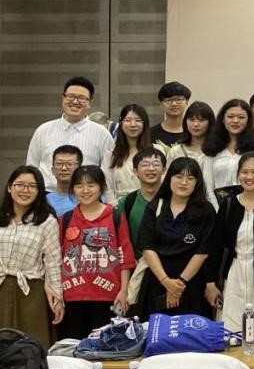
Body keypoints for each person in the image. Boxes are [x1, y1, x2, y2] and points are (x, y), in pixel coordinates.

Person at [209, 152, 254, 340]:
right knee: (230, 331)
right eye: (244, 172)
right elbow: (215, 246)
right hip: (234, 275)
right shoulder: (228, 205)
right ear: (238, 175)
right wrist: (211, 282)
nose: (249, 177)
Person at [57, 165, 135, 340]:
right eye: (79, 185)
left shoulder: (115, 216)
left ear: (101, 187)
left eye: (91, 185)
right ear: (73, 189)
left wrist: (124, 290)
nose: (85, 190)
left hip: (108, 297)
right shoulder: (65, 219)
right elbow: (56, 260)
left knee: (104, 348)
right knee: (72, 348)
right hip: (72, 297)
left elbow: (125, 256)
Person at [137, 157, 217, 317]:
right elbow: (148, 248)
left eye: (190, 178)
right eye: (178, 176)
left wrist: (179, 284)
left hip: (192, 283)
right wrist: (166, 282)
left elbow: (202, 252)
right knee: (156, 330)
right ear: (169, 178)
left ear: (197, 182)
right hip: (158, 280)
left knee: (191, 330)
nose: (184, 182)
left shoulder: (206, 210)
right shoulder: (155, 206)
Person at [0, 166, 63, 345]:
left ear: (39, 191)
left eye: (32, 186)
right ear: (10, 187)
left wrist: (58, 298)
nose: (25, 190)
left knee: (31, 347)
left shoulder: (46, 221)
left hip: (31, 293)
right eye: (20, 184)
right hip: (1, 287)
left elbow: (53, 261)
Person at [27, 76, 114, 190]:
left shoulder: (102, 134)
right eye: (71, 96)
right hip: (47, 196)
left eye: (81, 98)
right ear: (63, 98)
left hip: (86, 196)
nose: (75, 101)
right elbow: (31, 169)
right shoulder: (43, 130)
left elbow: (109, 175)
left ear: (89, 103)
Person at [121, 146, 166, 307]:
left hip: (168, 269)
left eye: (156, 164)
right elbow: (122, 239)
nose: (151, 169)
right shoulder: (127, 202)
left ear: (164, 169)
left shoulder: (174, 199)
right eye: (145, 164)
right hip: (137, 269)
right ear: (135, 171)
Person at [204, 99, 254, 204]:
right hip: (217, 207)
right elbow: (208, 186)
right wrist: (218, 210)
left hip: (249, 206)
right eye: (230, 116)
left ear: (248, 120)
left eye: (241, 117)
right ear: (223, 119)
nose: (235, 121)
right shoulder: (212, 148)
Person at [166, 101, 218, 203]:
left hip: (211, 204)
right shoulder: (176, 151)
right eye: (191, 119)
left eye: (201, 120)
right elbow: (167, 181)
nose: (195, 124)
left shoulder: (217, 152)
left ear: (210, 123)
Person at [105, 104, 151, 203]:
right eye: (128, 120)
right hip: (119, 205)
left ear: (144, 124)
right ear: (121, 124)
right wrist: (114, 207)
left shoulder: (155, 151)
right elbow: (107, 186)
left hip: (149, 204)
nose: (133, 124)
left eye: (138, 120)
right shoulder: (110, 155)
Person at [150, 81, 191, 149]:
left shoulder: (194, 131)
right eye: (168, 100)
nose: (174, 104)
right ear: (161, 105)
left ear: (186, 102)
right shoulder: (150, 134)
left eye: (179, 99)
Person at [46, 145, 83, 218]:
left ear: (79, 169)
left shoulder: (89, 198)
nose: (64, 168)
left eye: (69, 164)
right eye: (59, 164)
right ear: (52, 170)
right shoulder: (44, 201)